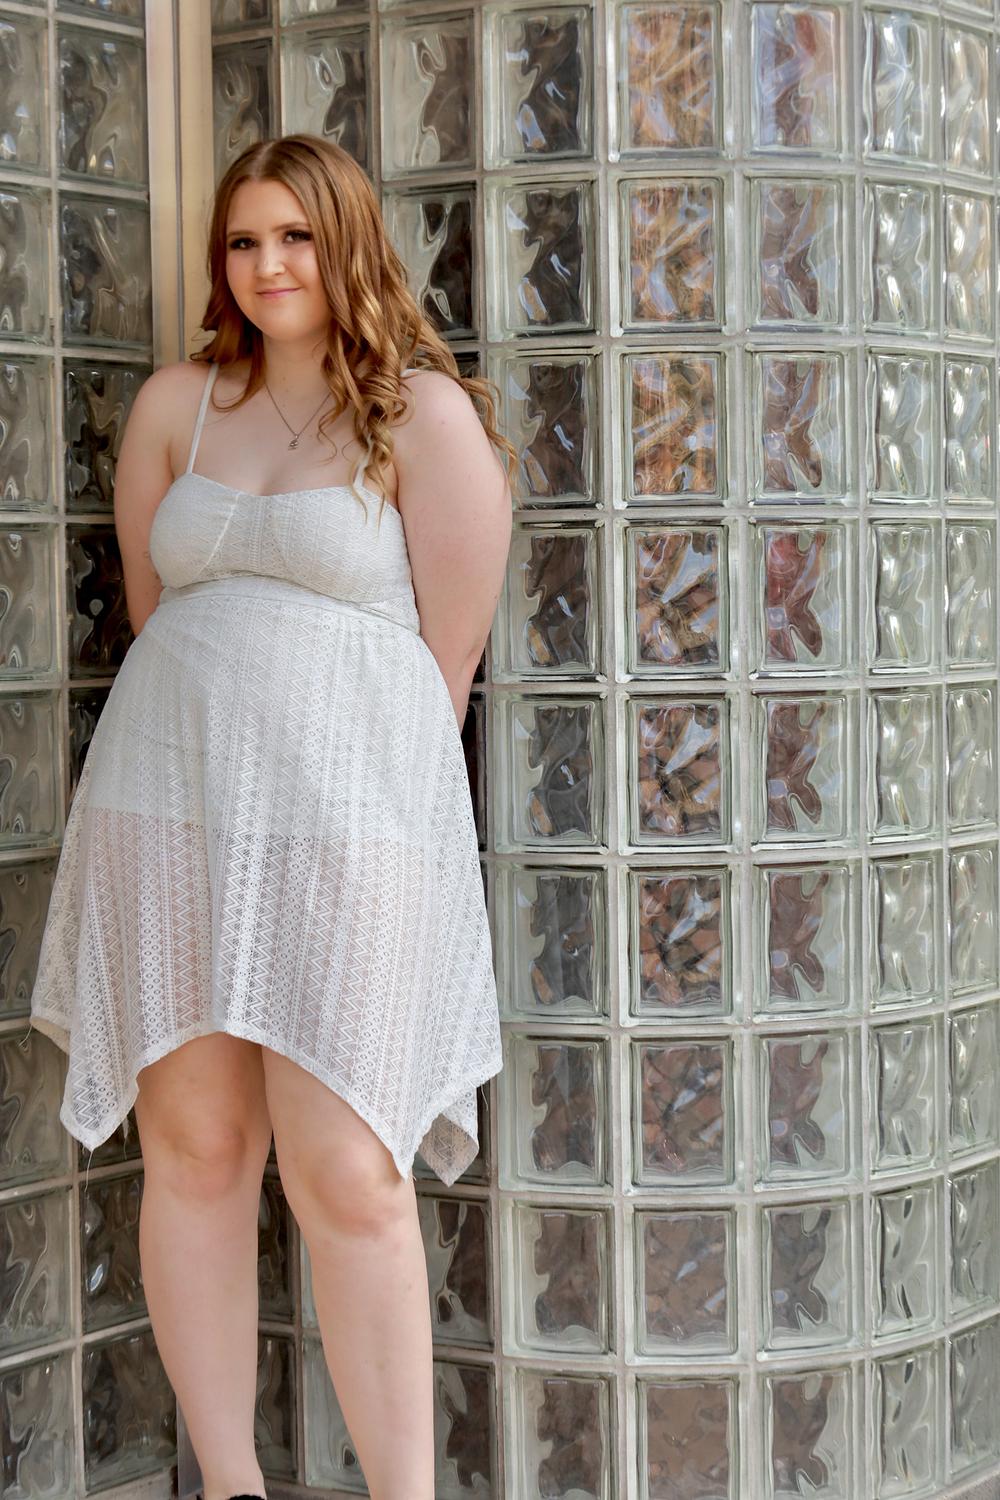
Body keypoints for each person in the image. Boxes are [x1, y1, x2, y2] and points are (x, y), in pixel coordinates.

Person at [28, 134, 515, 1500]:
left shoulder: (421, 417)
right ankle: (234, 1488)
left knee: (348, 1167)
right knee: (194, 1150)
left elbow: (444, 669)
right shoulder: (176, 407)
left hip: (349, 825)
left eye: (295, 236)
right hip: (168, 810)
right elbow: (156, 617)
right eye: (243, 242)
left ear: (346, 243)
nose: (268, 264)